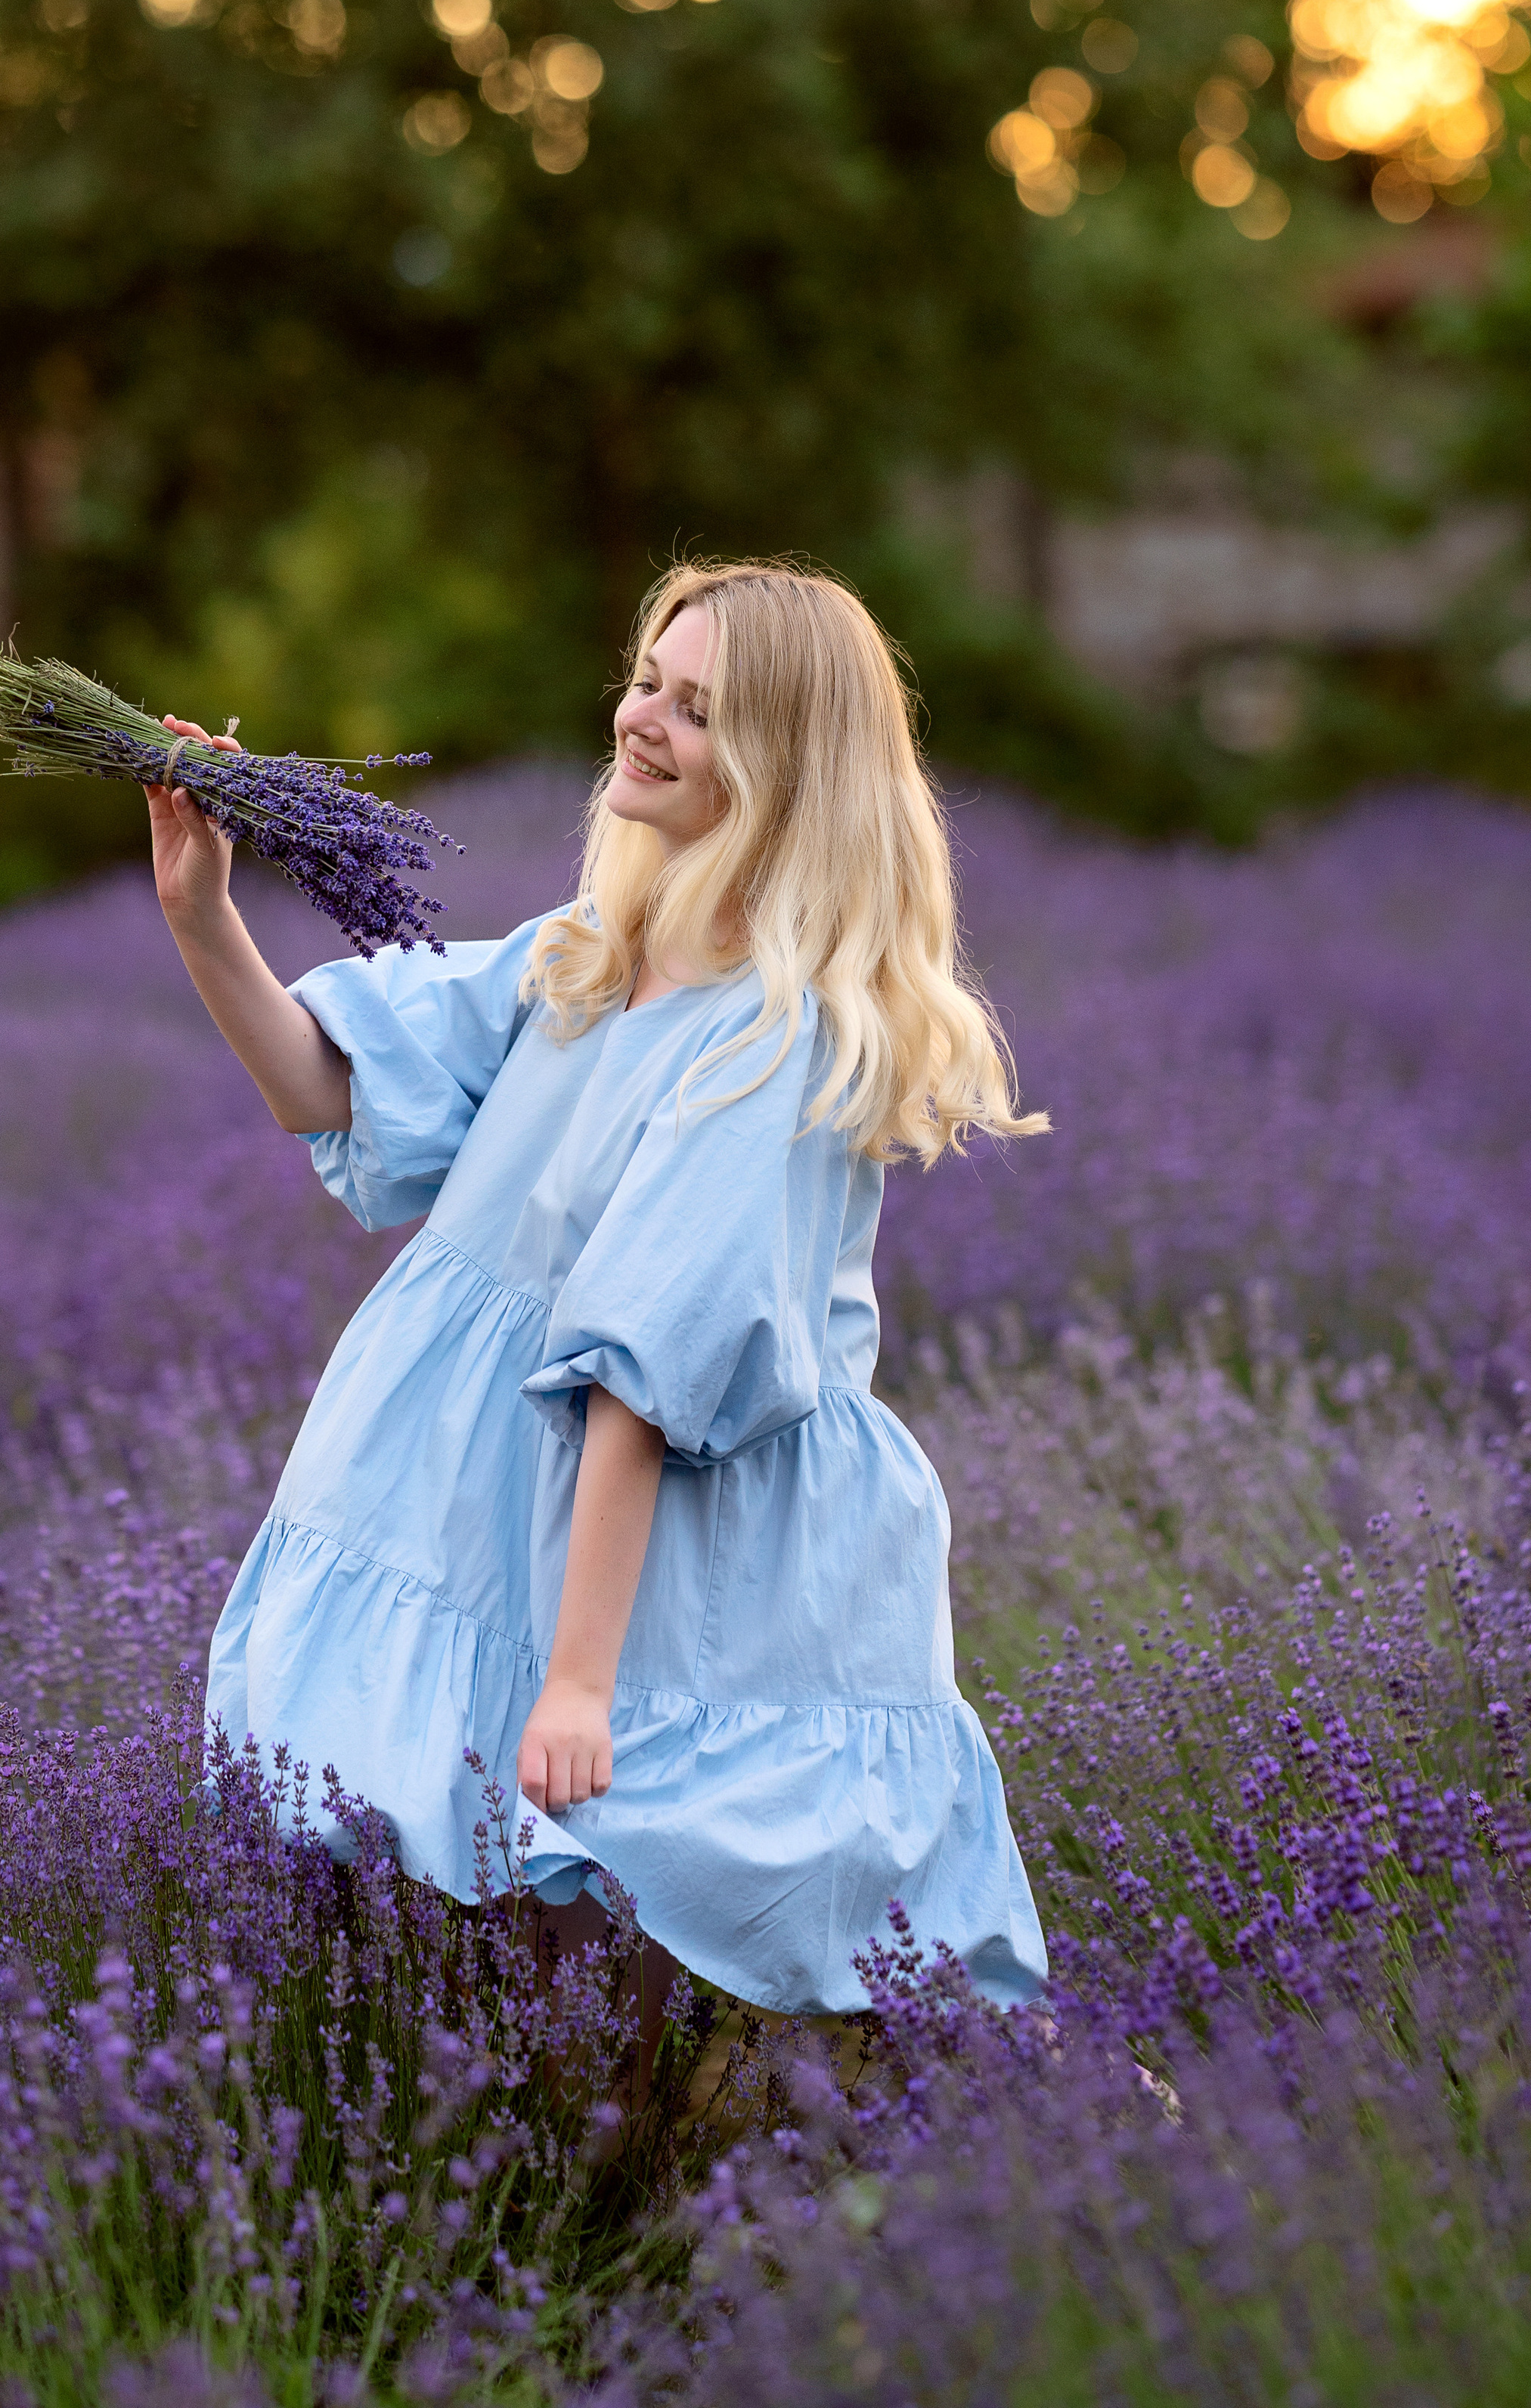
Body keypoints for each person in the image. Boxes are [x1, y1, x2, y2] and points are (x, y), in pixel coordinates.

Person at [150, 558, 1048, 2018]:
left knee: (636, 1875)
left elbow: (641, 1374)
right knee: (459, 1868)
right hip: (475, 1482)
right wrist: (203, 917)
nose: (644, 721)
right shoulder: (584, 959)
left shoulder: (779, 1043)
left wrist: (577, 1681)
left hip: (663, 1532)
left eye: (696, 711)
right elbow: (332, 1084)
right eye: (648, 682)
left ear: (777, 766)